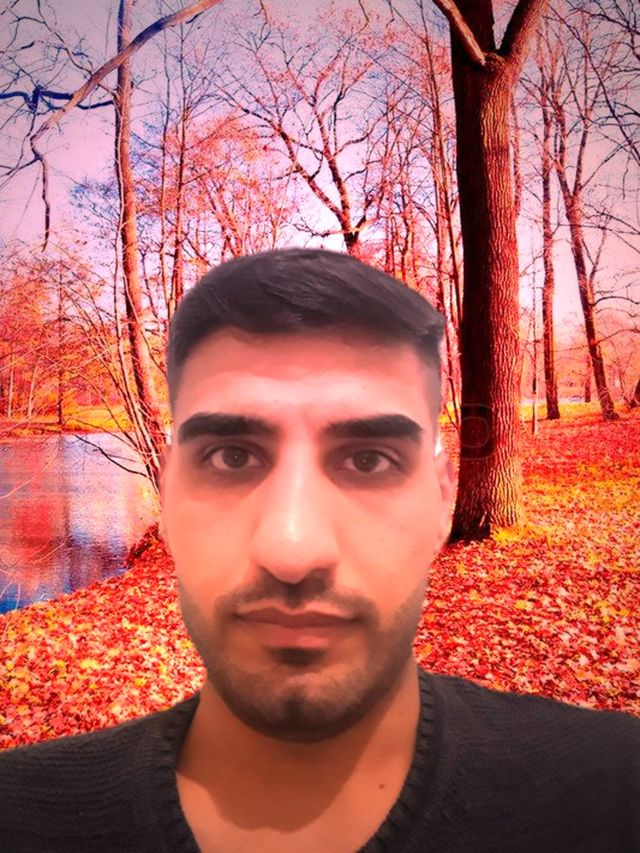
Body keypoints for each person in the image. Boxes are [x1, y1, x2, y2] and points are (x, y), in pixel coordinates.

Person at [0, 248, 638, 853]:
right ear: (164, 498)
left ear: (444, 501)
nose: (293, 549)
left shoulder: (614, 789)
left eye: (369, 460)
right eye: (231, 457)